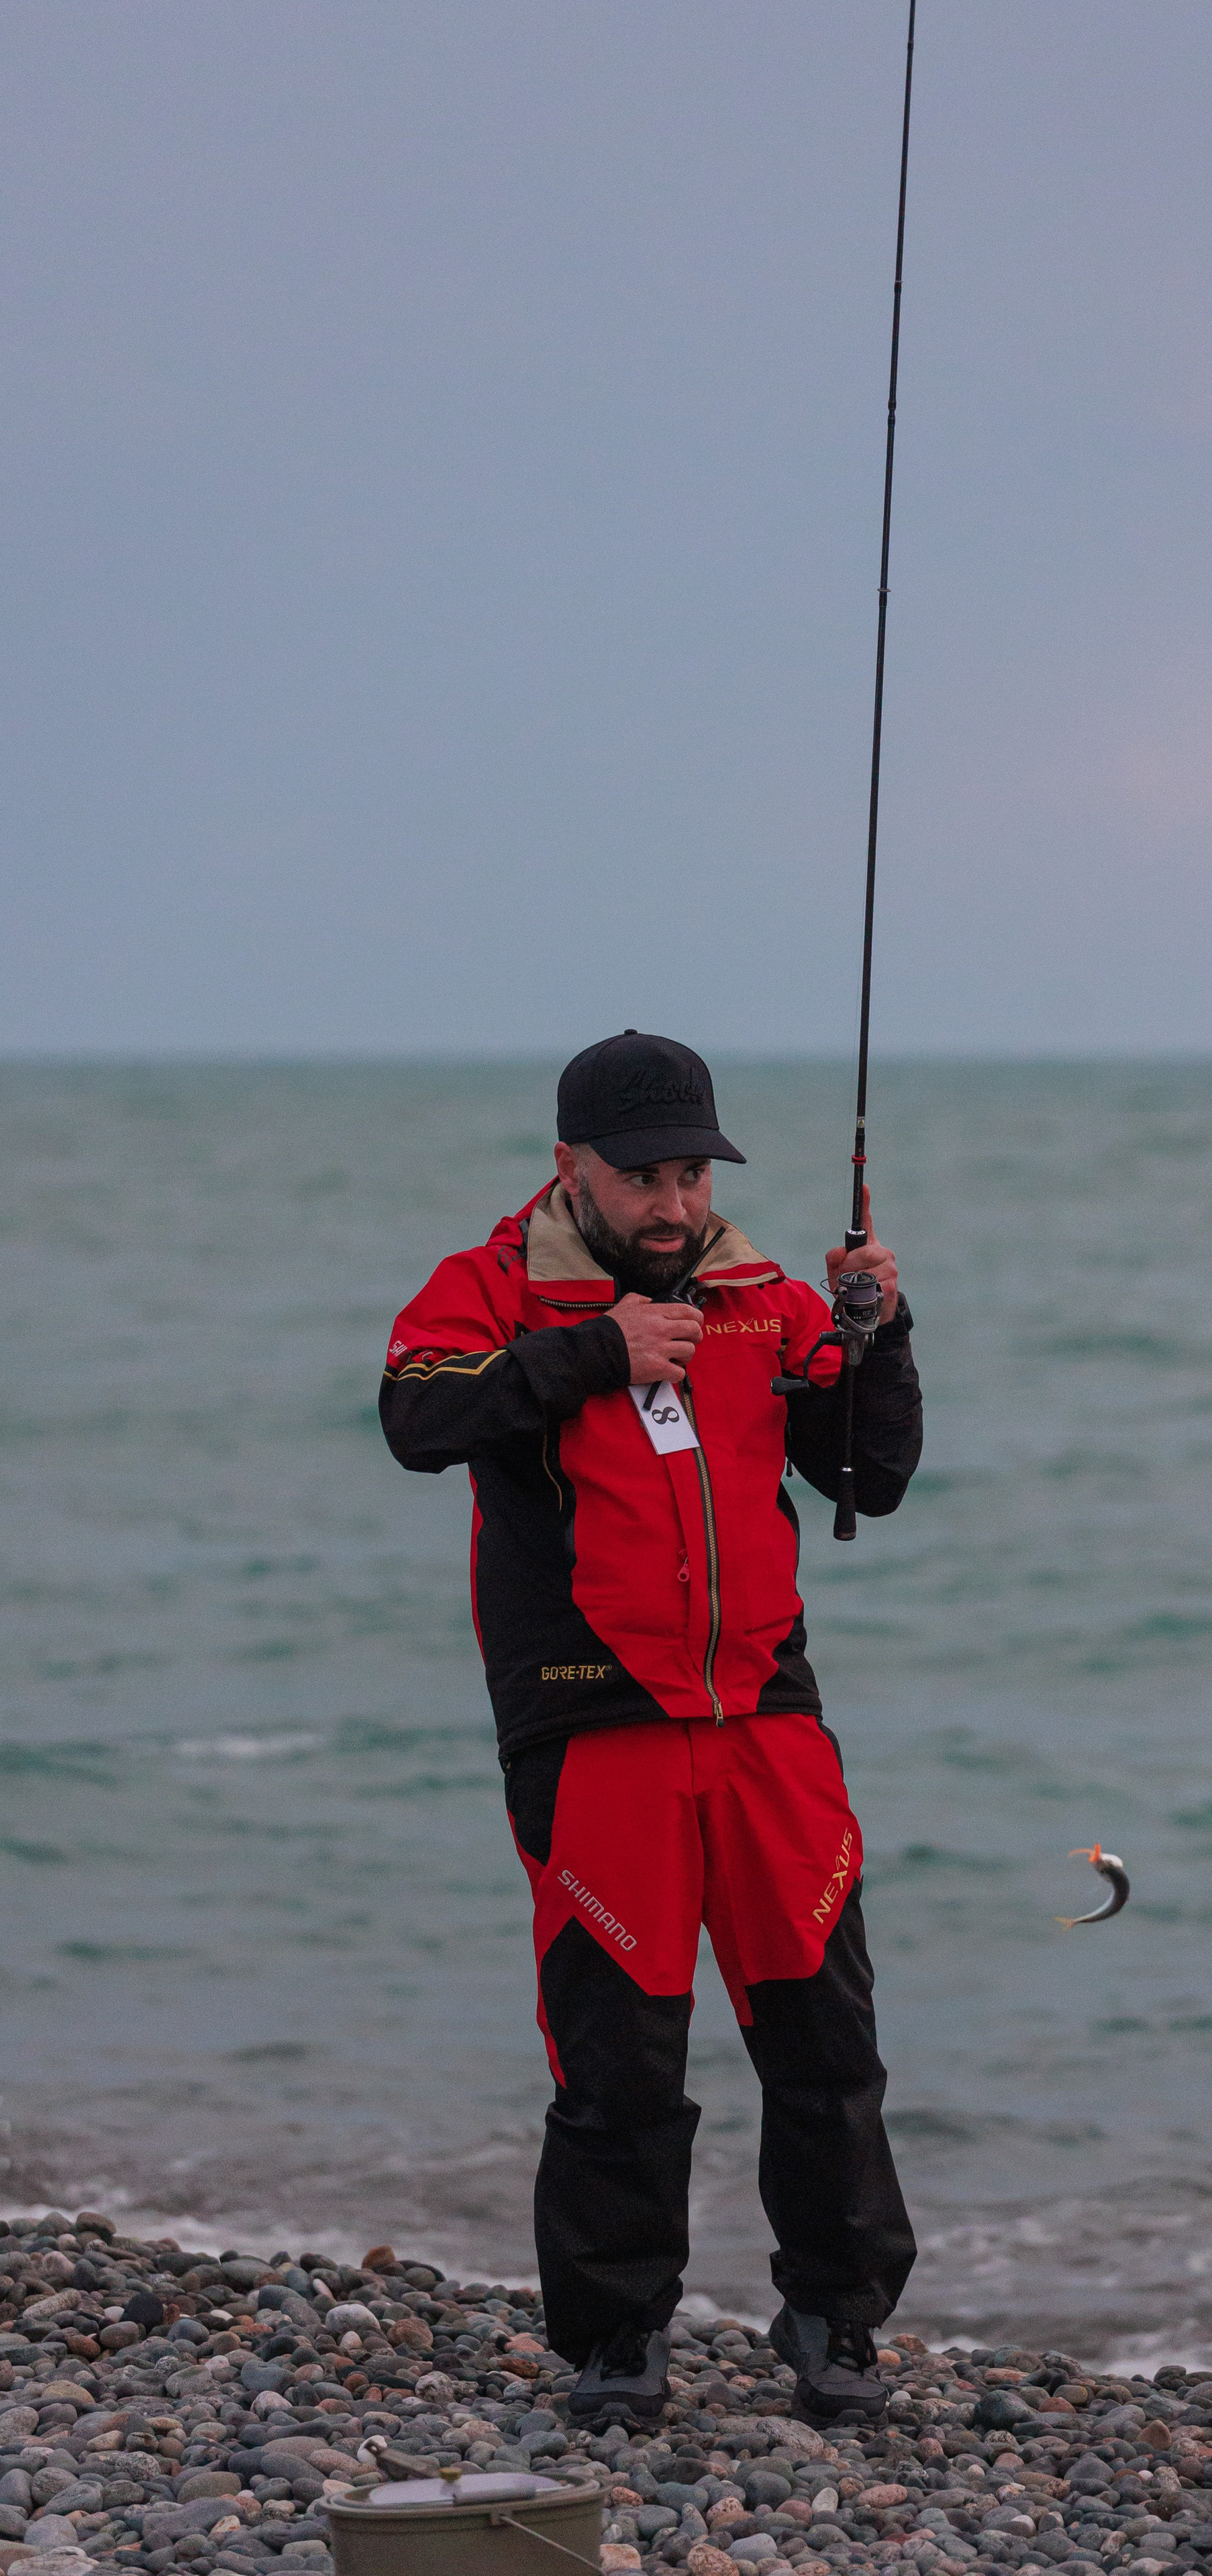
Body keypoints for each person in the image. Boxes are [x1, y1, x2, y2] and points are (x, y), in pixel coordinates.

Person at [378, 1031, 921, 2428]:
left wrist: (877, 1336)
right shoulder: (492, 1287)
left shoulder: (760, 1295)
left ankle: (835, 2322)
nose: (670, 1205)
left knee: (824, 2042)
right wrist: (590, 1353)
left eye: (687, 1174)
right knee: (620, 2057)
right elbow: (414, 1416)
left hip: (765, 1720)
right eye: (641, 1178)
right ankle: (617, 2339)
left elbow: (869, 1471)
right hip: (591, 1723)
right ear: (572, 1166)